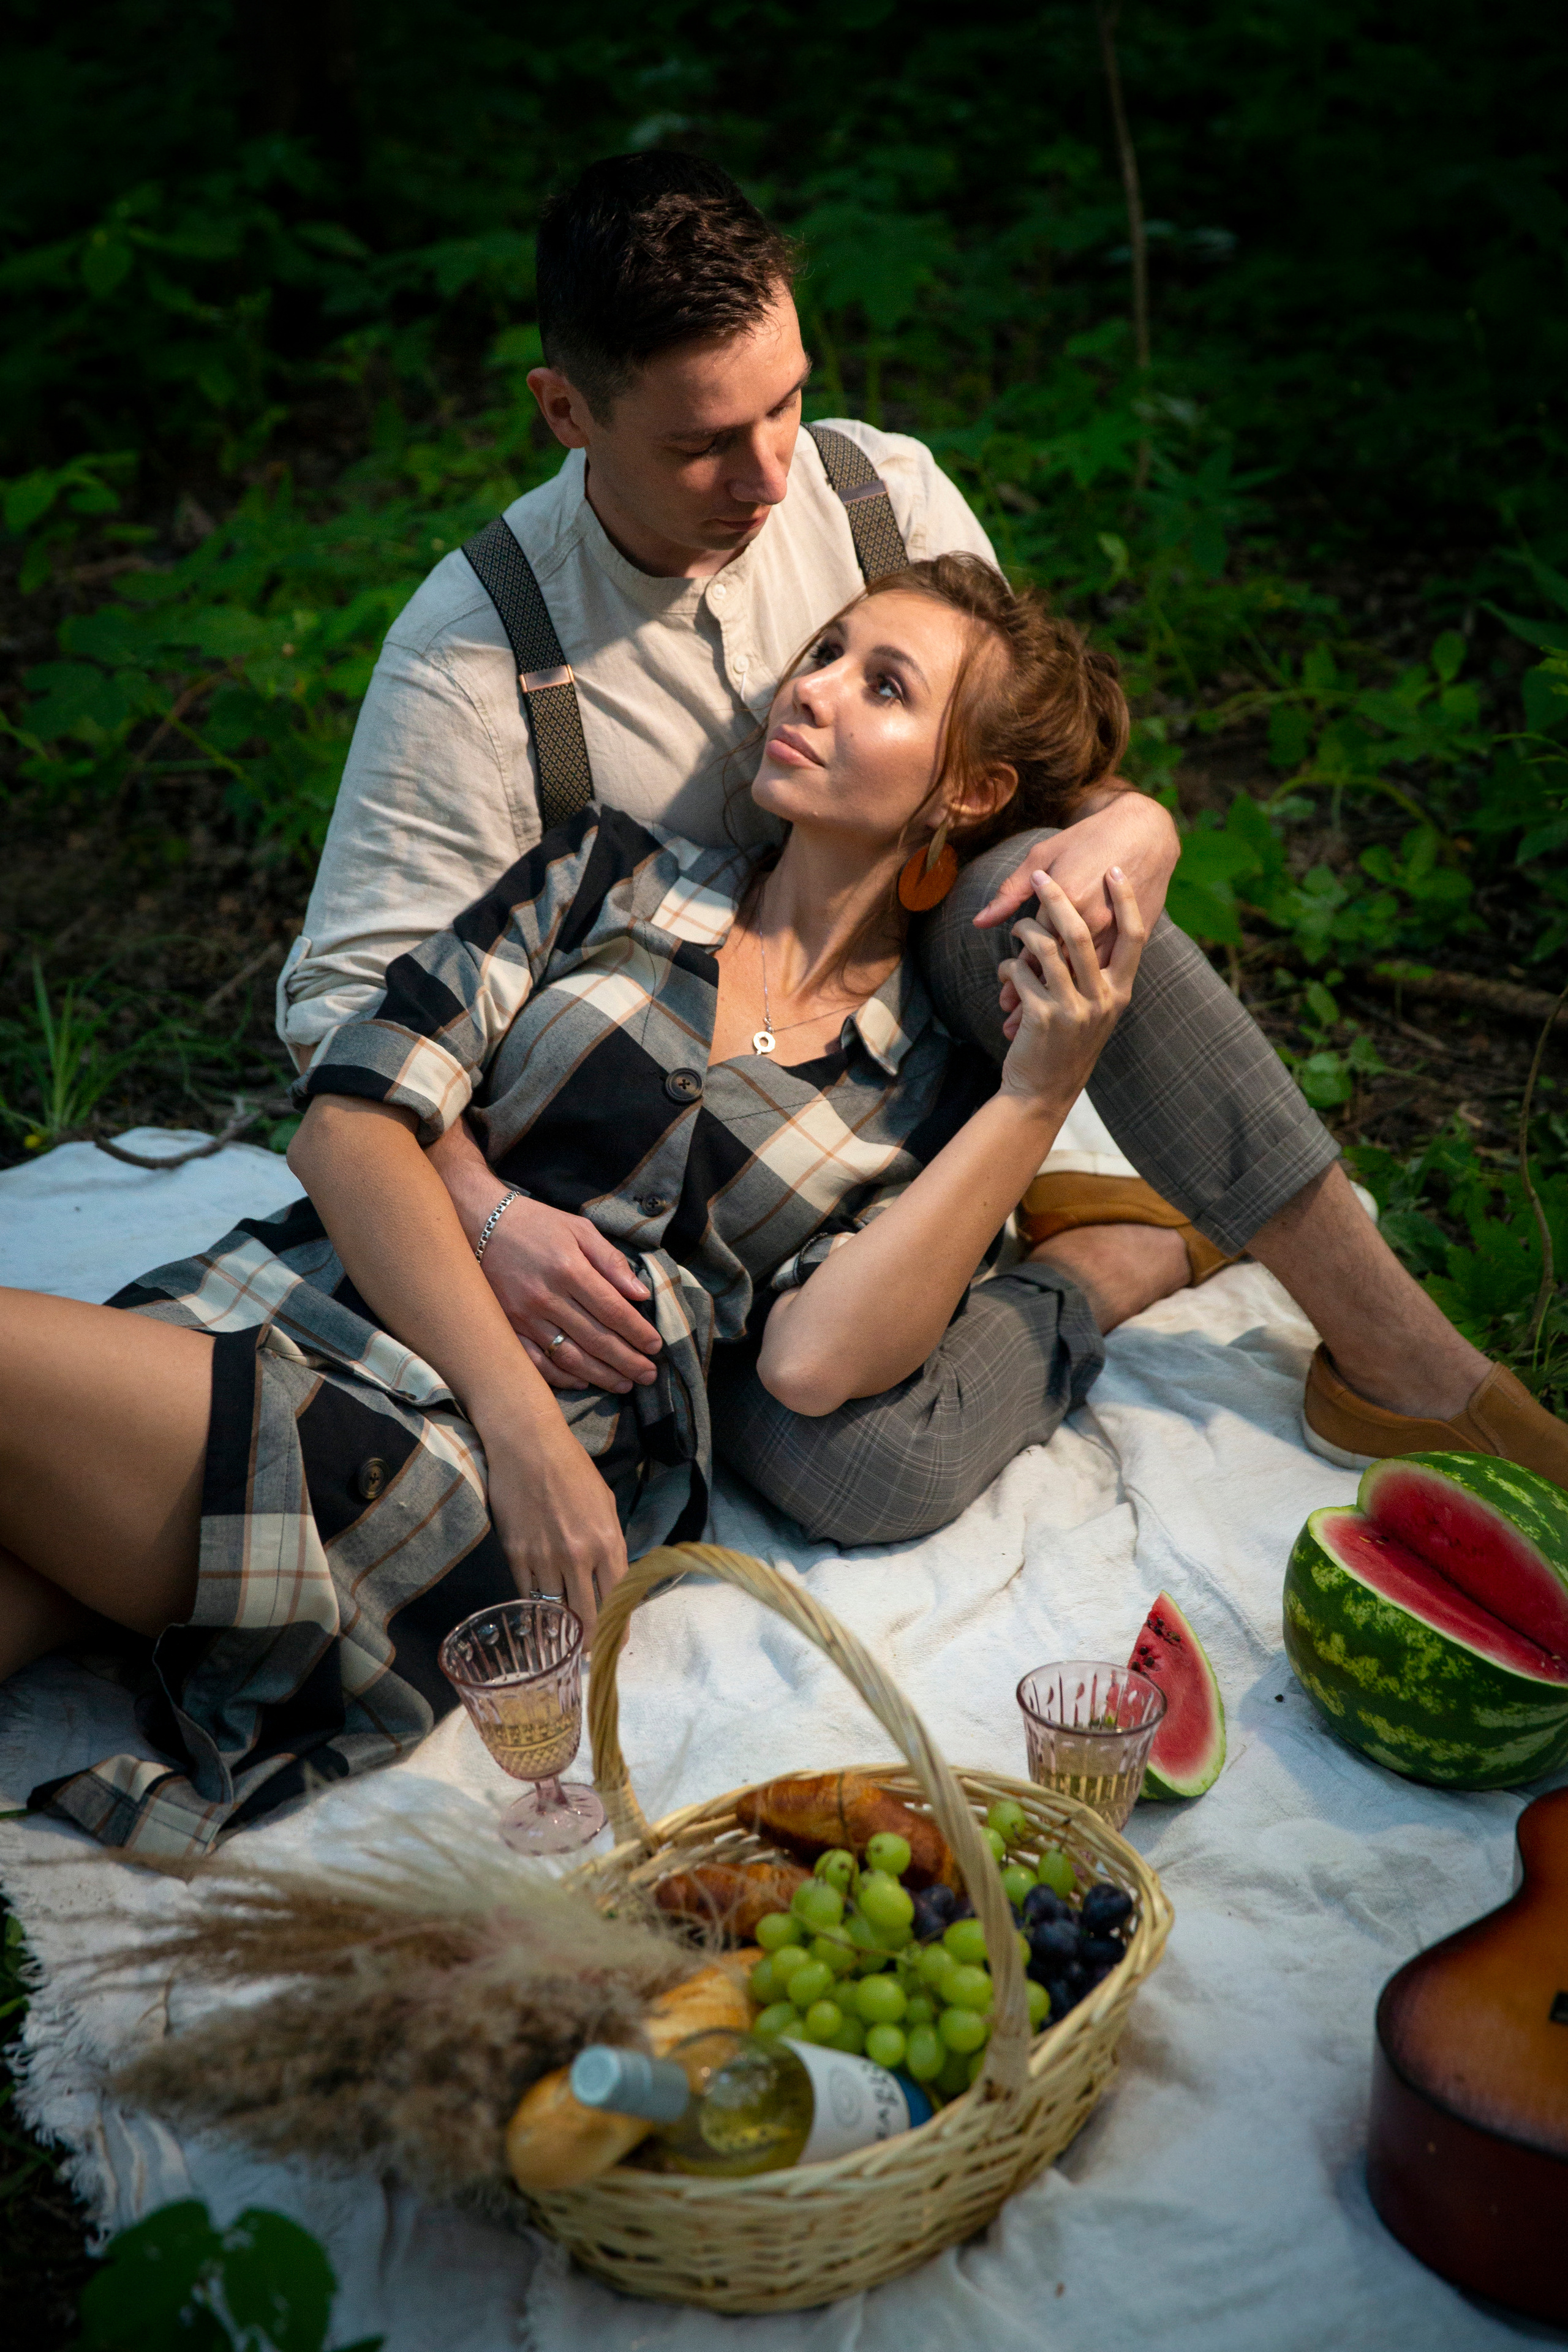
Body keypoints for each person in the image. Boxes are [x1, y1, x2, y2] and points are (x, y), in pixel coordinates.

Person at [275, 149, 1568, 1488]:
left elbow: (1012, 762)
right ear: (565, 410)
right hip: (666, 1164)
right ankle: (1106, 1259)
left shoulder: (874, 495)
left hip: (914, 1048)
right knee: (840, 1460)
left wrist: (1135, 820)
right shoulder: (475, 652)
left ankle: (1410, 1364)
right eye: (701, 444)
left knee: (1054, 890)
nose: (767, 474)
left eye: (786, 402)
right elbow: (345, 1006)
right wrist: (486, 1216)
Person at [4, 556, 1151, 1856]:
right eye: (826, 650)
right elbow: (347, 1123)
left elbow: (815, 1360)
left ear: (968, 792)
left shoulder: (923, 1090)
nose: (814, 687)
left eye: (882, 686)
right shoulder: (604, 874)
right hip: (294, 1315)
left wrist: (1036, 1097)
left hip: (443, 1483)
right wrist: (501, 1295)